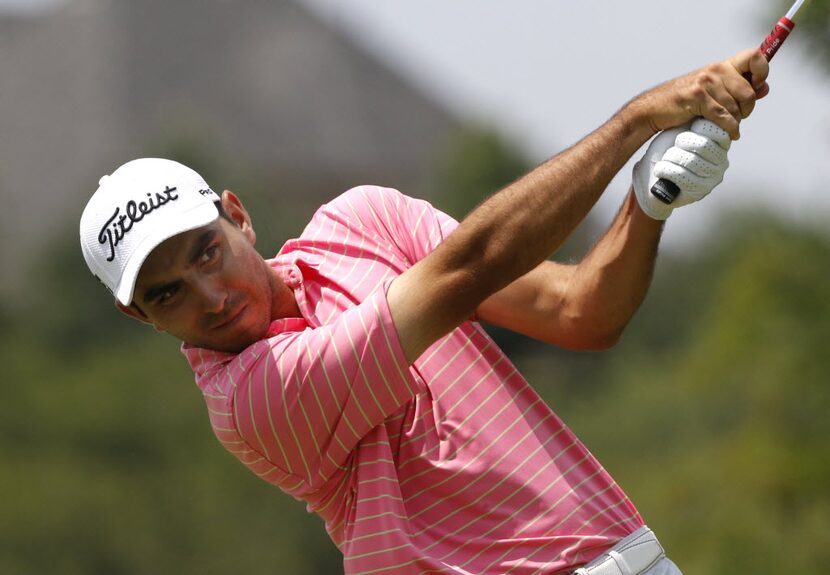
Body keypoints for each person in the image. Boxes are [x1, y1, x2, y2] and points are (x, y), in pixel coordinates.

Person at [79, 48, 769, 574]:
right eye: (166, 292)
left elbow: (581, 311)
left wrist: (647, 205)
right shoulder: (252, 400)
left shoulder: (363, 220)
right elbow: (468, 267)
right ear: (140, 316)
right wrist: (638, 118)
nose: (211, 296)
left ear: (237, 216)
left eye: (205, 252)